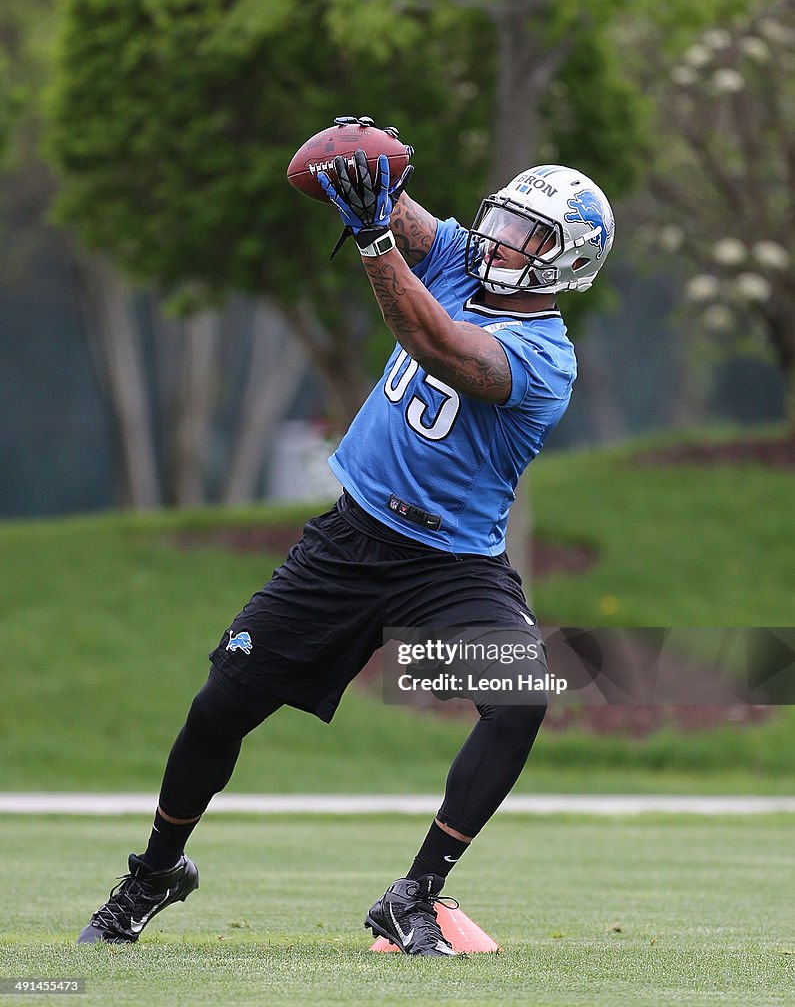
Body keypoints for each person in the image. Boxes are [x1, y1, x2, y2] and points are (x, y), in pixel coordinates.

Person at [77, 120, 614, 956]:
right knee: (220, 708)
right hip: (347, 545)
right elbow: (398, 213)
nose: (497, 238)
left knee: (519, 698)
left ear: (564, 260)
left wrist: (370, 240)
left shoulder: (545, 358)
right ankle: (155, 872)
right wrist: (365, 169)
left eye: (523, 233)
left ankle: (415, 892)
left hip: (449, 568)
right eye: (501, 218)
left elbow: (435, 343)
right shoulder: (456, 257)